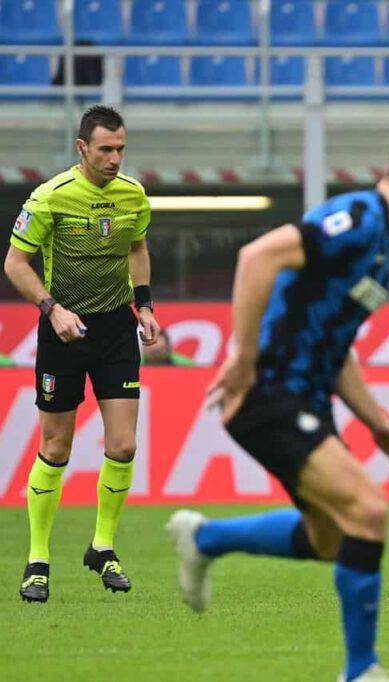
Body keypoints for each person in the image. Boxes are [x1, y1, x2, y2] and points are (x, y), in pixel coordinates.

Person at [165, 128, 389, 682]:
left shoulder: (381, 245)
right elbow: (258, 257)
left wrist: (380, 425)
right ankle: (361, 669)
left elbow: (336, 346)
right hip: (270, 392)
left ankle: (205, 538)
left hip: (305, 398)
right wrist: (245, 358)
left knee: (333, 539)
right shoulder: (360, 217)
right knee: (368, 512)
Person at [4, 105, 159, 603]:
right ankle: (37, 560)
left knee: (123, 447)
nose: (115, 158)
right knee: (55, 449)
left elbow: (136, 247)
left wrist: (146, 306)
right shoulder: (50, 198)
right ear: (82, 148)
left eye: (121, 149)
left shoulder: (133, 195)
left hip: (116, 329)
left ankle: (103, 547)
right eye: (106, 149)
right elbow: (15, 264)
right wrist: (52, 310)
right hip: (63, 331)